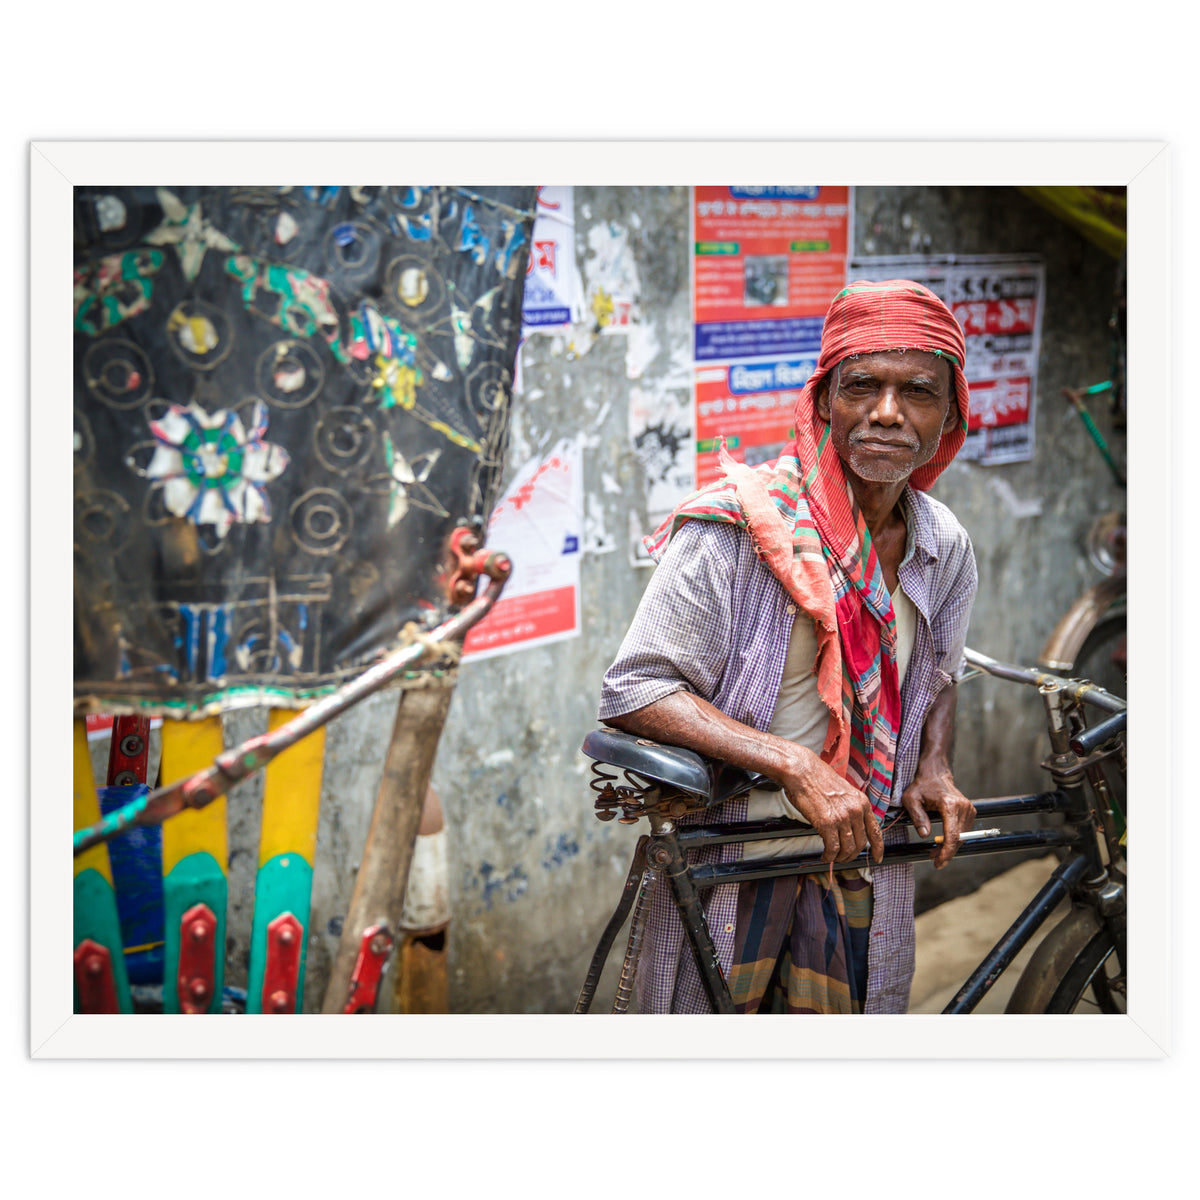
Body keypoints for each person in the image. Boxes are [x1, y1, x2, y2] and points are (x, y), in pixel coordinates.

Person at [598, 280, 978, 1015]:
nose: (887, 413)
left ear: (951, 414)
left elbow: (938, 671)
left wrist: (933, 763)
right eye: (862, 386)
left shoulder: (943, 546)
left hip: (862, 855)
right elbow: (636, 690)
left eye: (919, 392)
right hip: (736, 861)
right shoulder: (736, 532)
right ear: (824, 400)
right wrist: (796, 763)